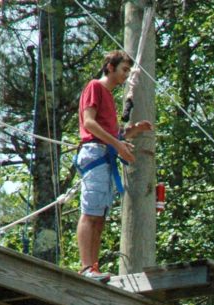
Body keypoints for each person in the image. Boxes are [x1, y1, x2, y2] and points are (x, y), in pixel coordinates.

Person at [75, 50, 153, 281]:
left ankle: (93, 267)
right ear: (110, 67)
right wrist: (118, 145)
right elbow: (89, 123)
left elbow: (111, 133)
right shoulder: (95, 87)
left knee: (100, 215)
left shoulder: (108, 96)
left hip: (105, 152)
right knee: (90, 213)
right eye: (124, 70)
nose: (126, 75)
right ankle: (86, 267)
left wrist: (132, 132)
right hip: (95, 153)